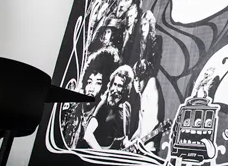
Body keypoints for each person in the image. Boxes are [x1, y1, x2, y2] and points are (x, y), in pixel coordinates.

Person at [124, 11, 163, 152]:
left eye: (145, 24)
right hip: (136, 79)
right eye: (141, 25)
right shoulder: (137, 42)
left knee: (148, 113)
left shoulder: (156, 40)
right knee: (135, 111)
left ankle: (147, 143)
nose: (142, 28)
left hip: (148, 78)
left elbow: (156, 63)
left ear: (150, 25)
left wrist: (145, 68)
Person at [68, 49, 119, 148]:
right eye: (89, 82)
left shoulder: (103, 116)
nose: (91, 88)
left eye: (98, 83)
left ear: (105, 87)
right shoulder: (74, 109)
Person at [84, 65, 134, 150]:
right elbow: (88, 135)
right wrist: (101, 154)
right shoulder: (104, 104)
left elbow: (124, 138)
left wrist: (129, 144)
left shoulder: (126, 107)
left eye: (119, 86)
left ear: (125, 89)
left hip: (115, 155)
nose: (114, 89)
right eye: (114, 84)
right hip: (100, 154)